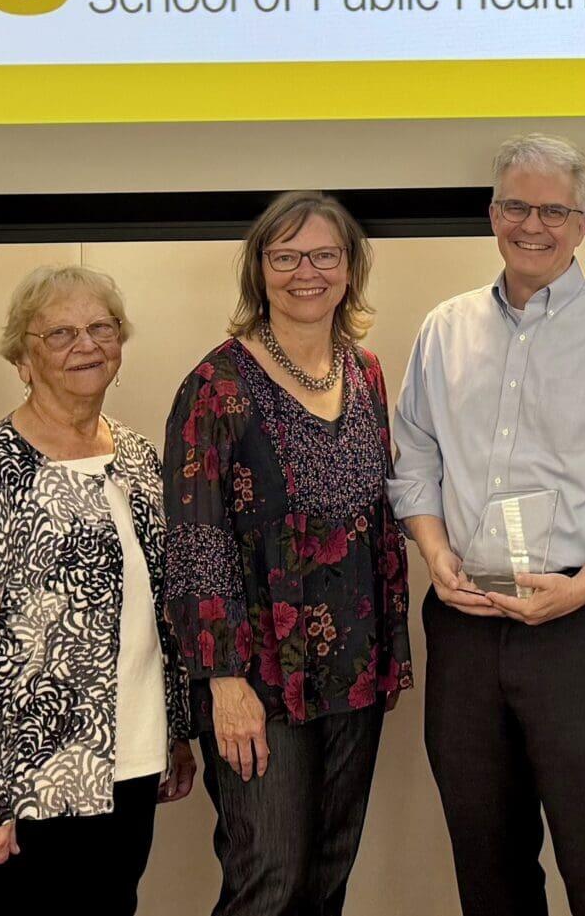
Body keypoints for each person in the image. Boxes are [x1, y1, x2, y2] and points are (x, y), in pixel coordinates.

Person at [390, 133, 585, 916]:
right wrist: (435, 553)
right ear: (493, 214)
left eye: (554, 211)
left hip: (584, 624)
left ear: (582, 224)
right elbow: (414, 458)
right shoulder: (444, 329)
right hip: (466, 620)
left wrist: (579, 591)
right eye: (516, 206)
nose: (532, 225)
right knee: (488, 862)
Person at [161, 191, 413, 916]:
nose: (307, 272)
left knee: (328, 877)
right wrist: (222, 681)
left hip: (354, 670)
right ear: (260, 270)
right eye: (286, 256)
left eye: (325, 254)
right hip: (258, 680)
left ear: (350, 267)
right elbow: (196, 543)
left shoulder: (365, 372)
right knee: (269, 881)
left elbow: (378, 518)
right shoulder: (216, 386)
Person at [0, 265, 196, 916]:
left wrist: (176, 732)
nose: (86, 345)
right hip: (25, 782)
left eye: (101, 328)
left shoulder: (136, 457)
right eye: (61, 333)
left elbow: (160, 611)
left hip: (131, 761)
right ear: (23, 357)